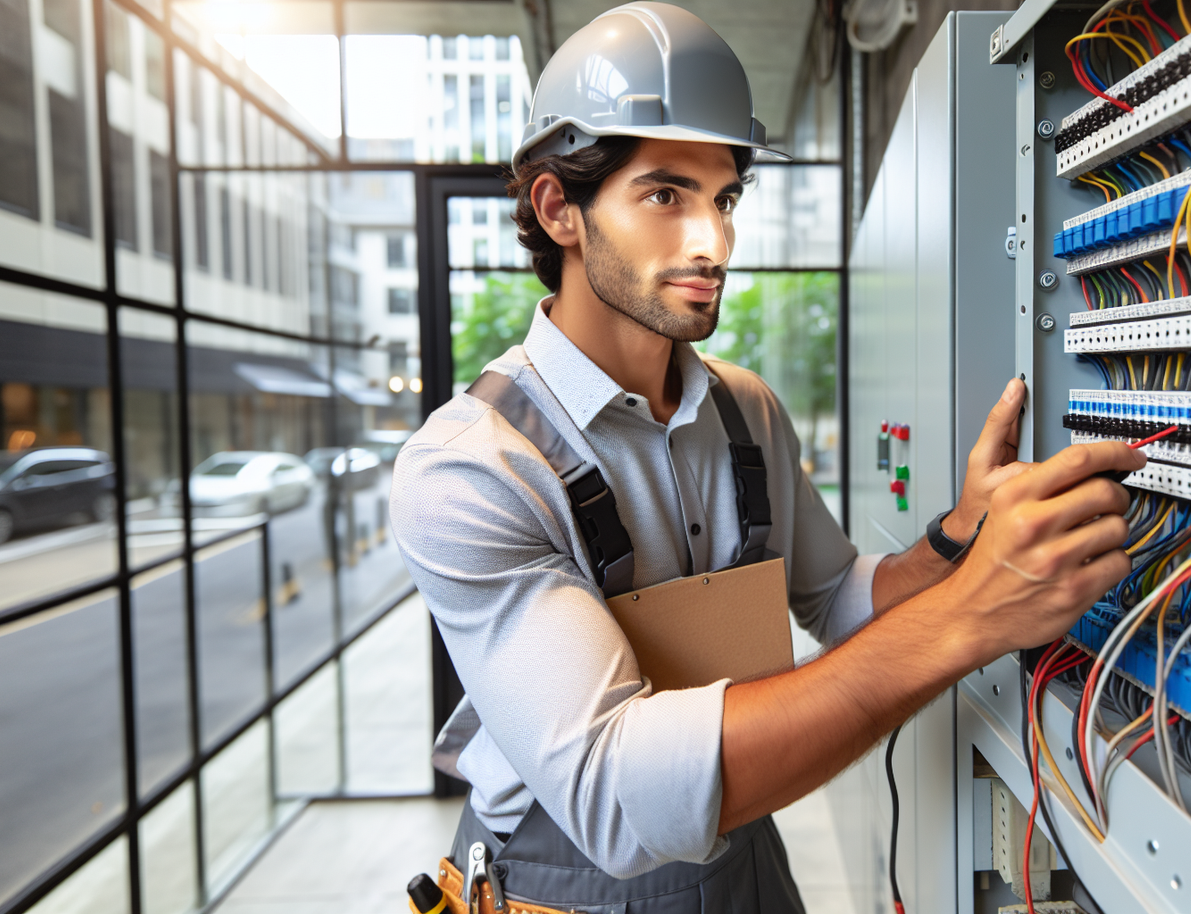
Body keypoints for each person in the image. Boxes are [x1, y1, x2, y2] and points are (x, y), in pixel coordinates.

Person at [389, 3, 1146, 910]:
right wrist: (969, 618)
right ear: (560, 209)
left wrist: (956, 540)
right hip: (563, 891)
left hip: (744, 861)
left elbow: (836, 599)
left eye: (725, 198)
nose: (712, 240)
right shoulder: (471, 468)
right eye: (665, 194)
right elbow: (614, 795)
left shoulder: (744, 409)